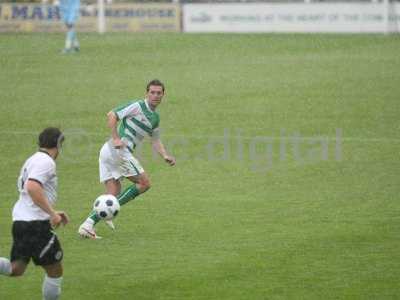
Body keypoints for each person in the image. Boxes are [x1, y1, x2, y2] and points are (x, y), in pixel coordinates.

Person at [78, 79, 176, 239]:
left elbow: (155, 139)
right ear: (147, 93)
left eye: (159, 93)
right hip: (118, 152)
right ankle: (108, 212)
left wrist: (165, 155)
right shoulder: (137, 106)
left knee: (113, 192)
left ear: (163, 95)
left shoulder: (155, 118)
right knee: (144, 184)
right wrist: (116, 138)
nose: (155, 95)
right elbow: (112, 115)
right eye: (152, 92)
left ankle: (88, 225)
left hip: (108, 152)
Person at [0, 127, 69, 300]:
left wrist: (51, 211)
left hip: (21, 222)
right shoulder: (46, 162)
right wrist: (52, 213)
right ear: (58, 144)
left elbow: (28, 191)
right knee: (55, 271)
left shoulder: (32, 160)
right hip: (36, 225)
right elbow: (32, 186)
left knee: (16, 269)